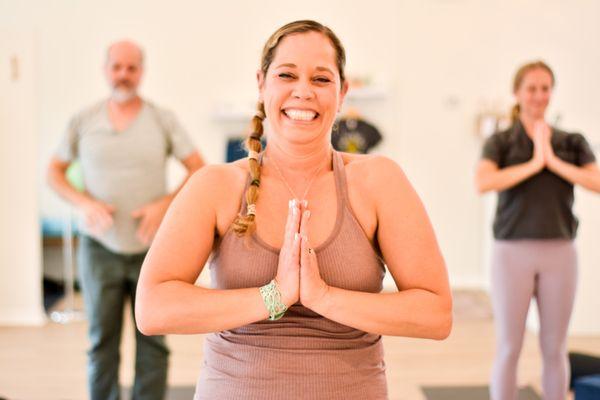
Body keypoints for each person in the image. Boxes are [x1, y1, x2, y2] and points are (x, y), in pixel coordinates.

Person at [135, 20, 452, 400]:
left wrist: (322, 297)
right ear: (261, 82)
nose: (303, 91)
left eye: (321, 79)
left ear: (343, 91)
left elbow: (436, 314)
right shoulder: (215, 186)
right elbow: (153, 309)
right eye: (287, 74)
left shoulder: (378, 180)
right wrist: (275, 295)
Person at [47, 40, 204, 400]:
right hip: (100, 248)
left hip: (153, 249)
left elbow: (198, 168)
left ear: (141, 72)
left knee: (153, 340)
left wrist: (164, 204)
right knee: (102, 340)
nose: (124, 75)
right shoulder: (83, 120)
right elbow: (53, 172)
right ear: (105, 70)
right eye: (117, 67)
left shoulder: (162, 119)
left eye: (131, 68)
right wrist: (84, 203)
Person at [475, 61, 600, 400]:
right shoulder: (501, 142)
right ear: (517, 93)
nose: (539, 95)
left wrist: (553, 160)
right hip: (511, 253)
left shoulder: (571, 142)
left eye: (545, 88)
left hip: (560, 252)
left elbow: (596, 181)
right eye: (532, 88)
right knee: (509, 345)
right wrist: (533, 163)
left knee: (554, 347)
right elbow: (484, 182)